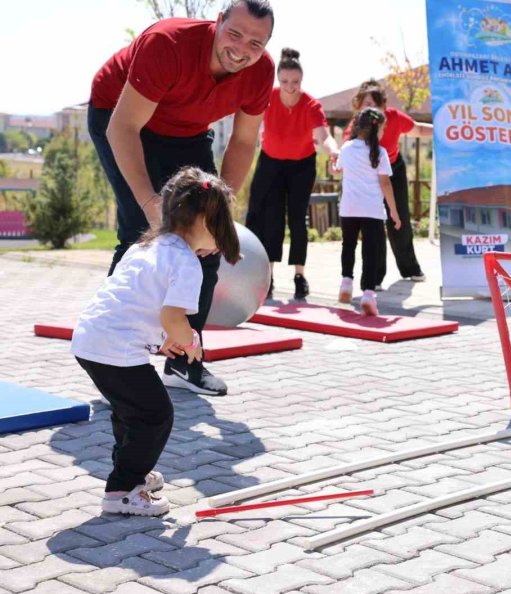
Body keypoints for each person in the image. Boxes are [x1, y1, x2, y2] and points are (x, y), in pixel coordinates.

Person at [87, 0, 275, 395]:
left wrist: (218, 214)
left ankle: (184, 363)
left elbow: (243, 142)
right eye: (234, 34)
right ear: (218, 22)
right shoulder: (168, 44)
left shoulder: (261, 72)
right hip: (121, 118)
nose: (241, 49)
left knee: (206, 241)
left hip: (186, 131)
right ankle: (111, 363)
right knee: (140, 234)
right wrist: (149, 204)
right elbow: (123, 128)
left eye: (255, 43)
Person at [71, 168, 240, 516]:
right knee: (156, 415)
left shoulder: (145, 246)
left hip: (91, 339)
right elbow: (172, 318)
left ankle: (131, 472)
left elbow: (138, 301)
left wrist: (164, 341)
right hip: (115, 347)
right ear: (204, 219)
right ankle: (122, 490)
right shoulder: (187, 262)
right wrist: (190, 341)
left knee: (131, 411)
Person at [246, 47, 339, 300]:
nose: (290, 87)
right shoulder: (268, 97)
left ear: (302, 79)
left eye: (295, 82)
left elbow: (324, 136)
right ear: (278, 79)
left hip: (301, 166)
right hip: (271, 163)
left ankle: (299, 276)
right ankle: (268, 277)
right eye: (285, 81)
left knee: (297, 219)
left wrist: (334, 151)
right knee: (271, 219)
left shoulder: (311, 105)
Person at [346, 80, 431, 288]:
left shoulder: (393, 117)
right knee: (374, 225)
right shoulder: (356, 126)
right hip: (369, 176)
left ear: (384, 105)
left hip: (393, 170)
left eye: (377, 104)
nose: (373, 109)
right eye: (368, 104)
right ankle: (374, 278)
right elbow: (345, 152)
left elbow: (419, 130)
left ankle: (410, 267)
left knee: (399, 219)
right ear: (359, 106)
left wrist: (446, 129)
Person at [336, 108, 402, 316]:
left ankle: (346, 281)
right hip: (372, 210)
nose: (383, 133)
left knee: (348, 245)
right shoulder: (380, 153)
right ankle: (368, 294)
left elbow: (338, 169)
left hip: (349, 208)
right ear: (376, 129)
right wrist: (394, 212)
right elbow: (386, 184)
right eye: (383, 129)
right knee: (371, 252)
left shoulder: (346, 148)